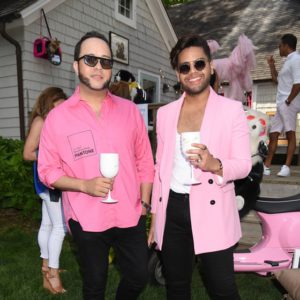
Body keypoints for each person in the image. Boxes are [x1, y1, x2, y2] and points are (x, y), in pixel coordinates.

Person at [37, 31, 154, 300]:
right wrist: (83, 185)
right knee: (94, 284)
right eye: (90, 59)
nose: (99, 67)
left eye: (106, 61)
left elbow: (145, 161)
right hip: (86, 216)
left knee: (138, 276)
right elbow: (47, 170)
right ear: (76, 65)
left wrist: (145, 205)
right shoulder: (57, 118)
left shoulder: (130, 112)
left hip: (129, 212)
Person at [148, 35, 252, 300]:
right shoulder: (165, 113)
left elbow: (243, 165)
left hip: (212, 207)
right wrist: (155, 217)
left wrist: (214, 164)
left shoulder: (231, 110)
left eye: (199, 64)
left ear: (211, 66)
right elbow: (160, 166)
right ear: (178, 73)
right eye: (185, 67)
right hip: (173, 210)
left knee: (223, 288)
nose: (193, 72)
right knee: (177, 286)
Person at [23, 87, 67, 294]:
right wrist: (51, 156)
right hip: (48, 181)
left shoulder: (53, 122)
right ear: (50, 103)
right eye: (58, 106)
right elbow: (28, 153)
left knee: (48, 224)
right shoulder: (41, 121)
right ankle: (53, 275)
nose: (62, 110)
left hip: (49, 180)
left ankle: (46, 266)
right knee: (60, 227)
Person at [263, 34, 300, 177]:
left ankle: (287, 166)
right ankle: (267, 166)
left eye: (280, 45)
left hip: (289, 102)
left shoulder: (296, 60)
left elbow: (298, 83)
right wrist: (271, 65)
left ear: (286, 45)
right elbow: (275, 79)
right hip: (281, 103)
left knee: (290, 133)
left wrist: (288, 101)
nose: (279, 48)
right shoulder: (287, 61)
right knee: (273, 134)